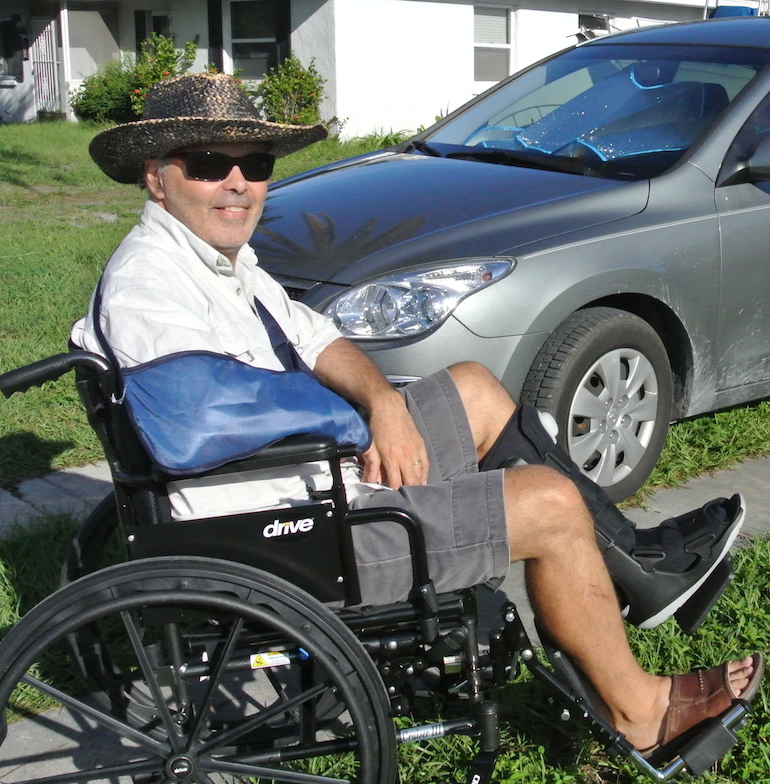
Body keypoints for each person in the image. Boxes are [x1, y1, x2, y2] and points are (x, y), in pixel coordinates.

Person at [73, 73, 762, 757]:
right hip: (287, 533)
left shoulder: (221, 263)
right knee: (548, 504)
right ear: (154, 177)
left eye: (254, 165)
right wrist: (360, 425)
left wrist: (382, 404)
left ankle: (636, 563)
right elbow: (195, 421)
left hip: (309, 481)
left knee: (473, 387)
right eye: (206, 163)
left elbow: (319, 338)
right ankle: (639, 711)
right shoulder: (151, 283)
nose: (238, 183)